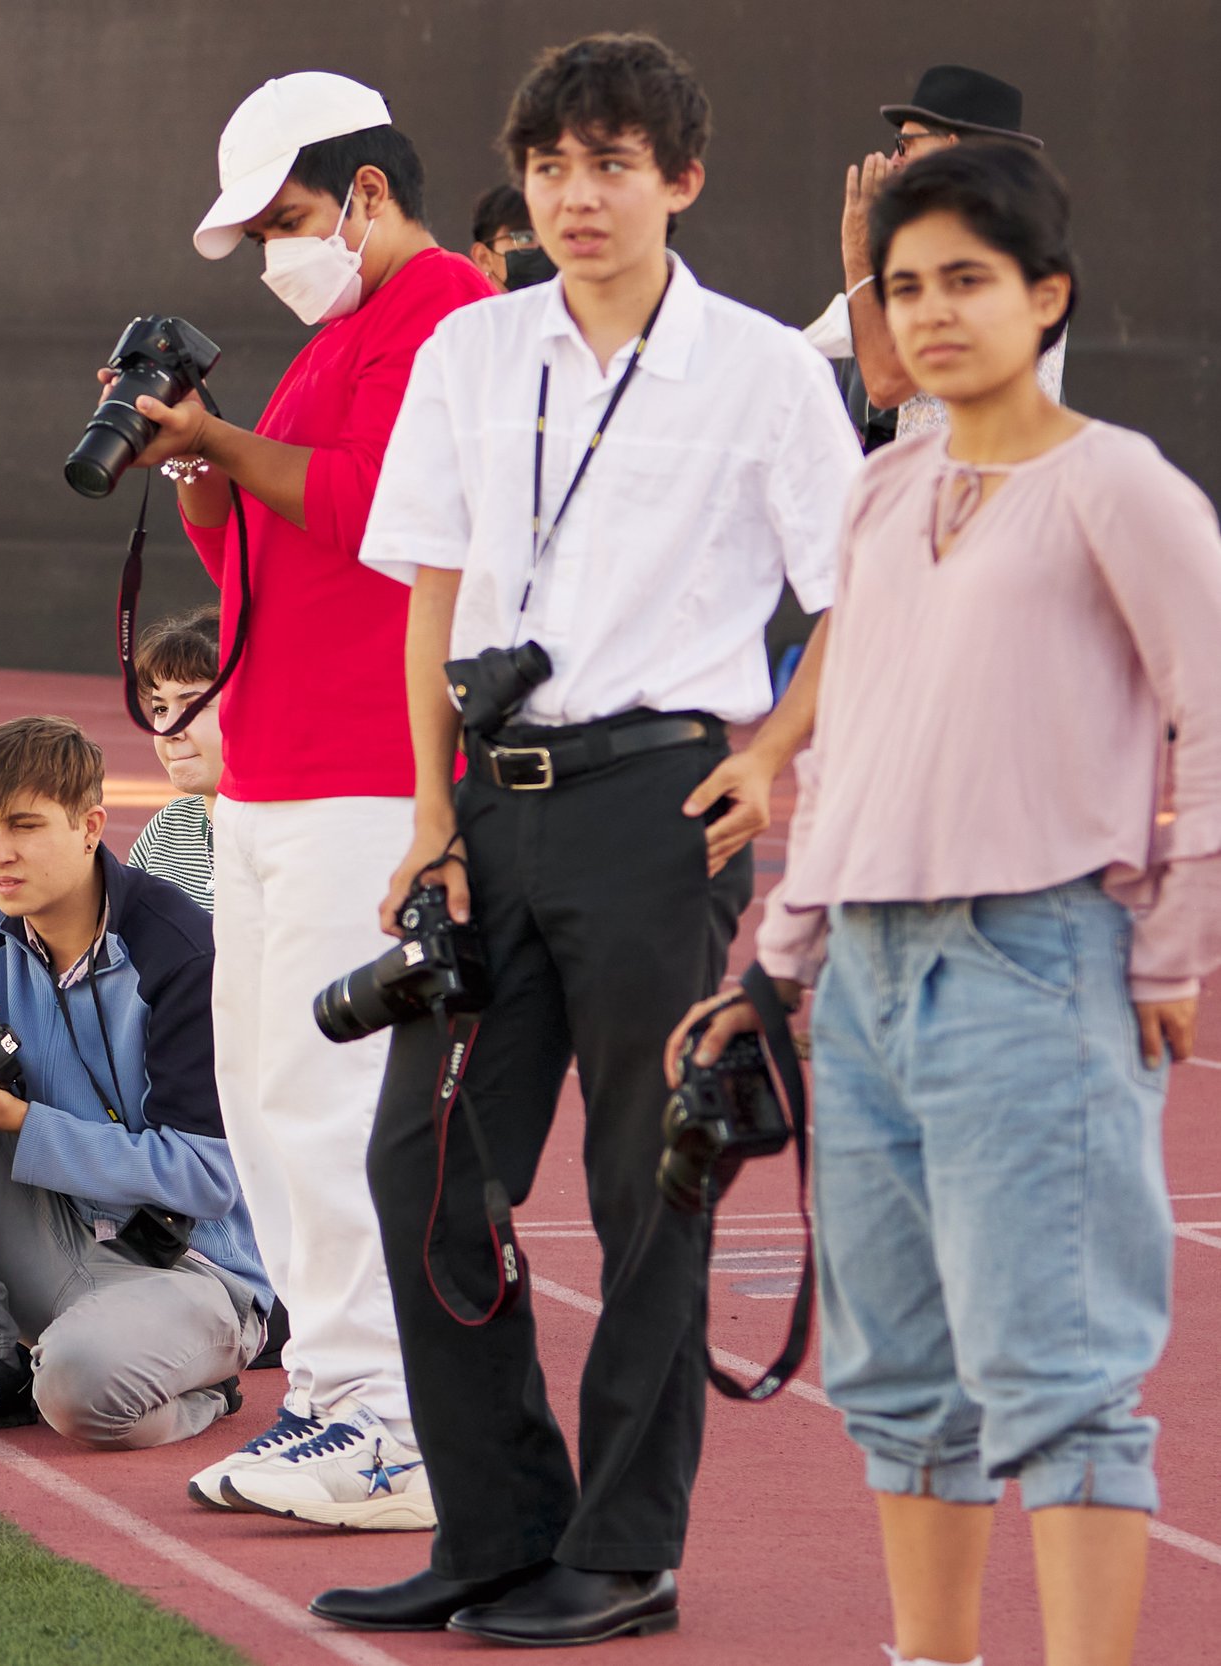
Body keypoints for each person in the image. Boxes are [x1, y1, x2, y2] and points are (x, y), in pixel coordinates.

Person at [327, 35, 864, 1644]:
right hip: (487, 804)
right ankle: (496, 1530)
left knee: (649, 1185)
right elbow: (431, 586)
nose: (577, 194)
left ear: (680, 180)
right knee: (423, 1165)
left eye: (613, 164)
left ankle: (625, 1550)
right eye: (554, 165)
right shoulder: (474, 355)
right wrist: (429, 809)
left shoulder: (765, 370)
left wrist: (771, 752)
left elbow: (859, 593)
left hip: (658, 809)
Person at [675, 143, 1221, 1666]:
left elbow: (1217, 717)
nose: (931, 313)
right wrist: (772, 966)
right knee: (902, 1376)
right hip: (863, 982)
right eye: (905, 285)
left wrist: (1176, 943)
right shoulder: (884, 492)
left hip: (1036, 965)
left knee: (1057, 1372)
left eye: (967, 280)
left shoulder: (1119, 487)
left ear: (1048, 298)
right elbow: (854, 746)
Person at [110, 69, 495, 1525]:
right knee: (275, 1104)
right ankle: (340, 1398)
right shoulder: (343, 335)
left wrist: (217, 444)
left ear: (369, 194)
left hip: (359, 777)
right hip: (277, 773)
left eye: (289, 218)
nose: (280, 251)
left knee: (331, 1101)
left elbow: (370, 515)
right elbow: (261, 568)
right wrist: (200, 470)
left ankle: (391, 1418)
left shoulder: (444, 307)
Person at [0, 717, 268, 1451]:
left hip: (192, 1270)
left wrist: (20, 1125)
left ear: (88, 827)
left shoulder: (182, 955)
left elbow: (209, 1180)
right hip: (62, 1243)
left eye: (25, 825)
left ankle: (206, 1390)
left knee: (77, 1391)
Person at [801, 66, 1063, 441]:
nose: (893, 160)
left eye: (905, 144)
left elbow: (886, 383)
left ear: (951, 147)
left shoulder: (998, 245)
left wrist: (857, 250)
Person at [124, 607, 222, 914]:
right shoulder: (167, 829)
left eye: (192, 707)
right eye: (160, 709)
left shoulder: (296, 836)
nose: (168, 731)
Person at [466, 184, 555, 291]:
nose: (542, 247)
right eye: (525, 238)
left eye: (548, 235)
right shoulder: (475, 308)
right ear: (484, 258)